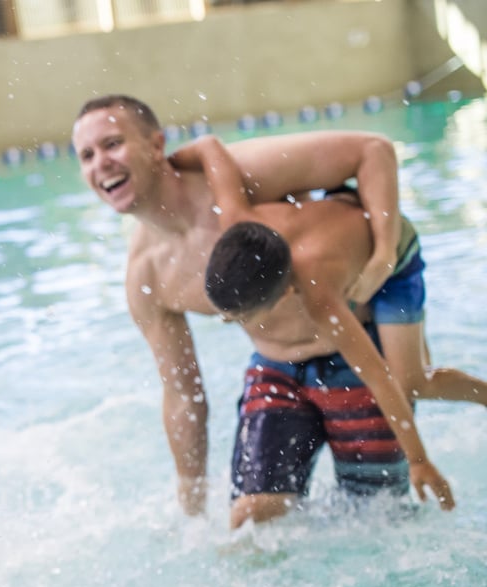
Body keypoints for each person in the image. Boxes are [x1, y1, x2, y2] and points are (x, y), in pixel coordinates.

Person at [72, 94, 411, 516]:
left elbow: (373, 150)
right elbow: (182, 394)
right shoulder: (148, 276)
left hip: (358, 359)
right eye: (86, 155)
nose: (100, 163)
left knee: (379, 520)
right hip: (276, 370)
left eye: (112, 144)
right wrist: (190, 502)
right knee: (251, 521)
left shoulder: (237, 176)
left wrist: (385, 255)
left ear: (156, 146)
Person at [178, 134, 457, 526]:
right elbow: (209, 147)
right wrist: (170, 162)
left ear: (287, 294)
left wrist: (419, 460)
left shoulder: (317, 295)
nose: (234, 324)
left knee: (411, 382)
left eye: (242, 317)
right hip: (335, 218)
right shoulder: (237, 222)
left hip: (393, 263)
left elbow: (377, 376)